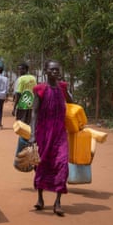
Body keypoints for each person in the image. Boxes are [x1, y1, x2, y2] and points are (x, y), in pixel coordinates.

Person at [29, 60, 73, 216]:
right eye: (52, 70)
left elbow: (72, 103)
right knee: (41, 165)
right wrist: (33, 134)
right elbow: (34, 112)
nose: (55, 72)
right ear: (45, 71)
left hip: (60, 132)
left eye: (57, 70)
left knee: (62, 164)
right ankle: (40, 198)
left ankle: (58, 202)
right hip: (43, 132)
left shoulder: (62, 87)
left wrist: (65, 89)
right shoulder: (40, 89)